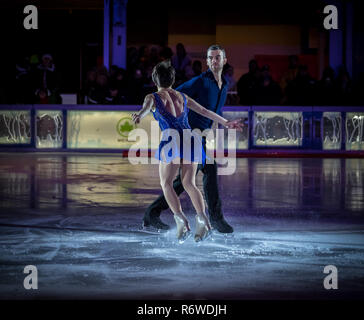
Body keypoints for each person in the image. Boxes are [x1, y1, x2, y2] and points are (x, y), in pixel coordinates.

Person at [132, 60, 242, 242]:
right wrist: (226, 122)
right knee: (189, 183)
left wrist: (139, 115)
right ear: (173, 79)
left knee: (166, 183)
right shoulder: (182, 96)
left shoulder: (152, 97)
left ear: (154, 79)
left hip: (172, 140)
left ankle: (181, 219)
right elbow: (205, 111)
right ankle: (203, 219)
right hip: (191, 138)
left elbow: (144, 110)